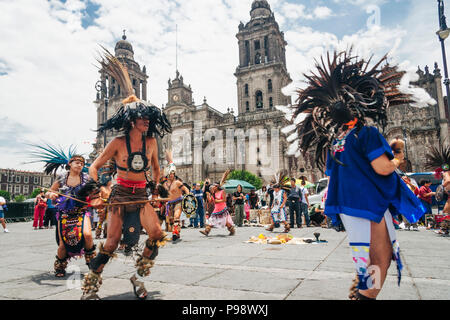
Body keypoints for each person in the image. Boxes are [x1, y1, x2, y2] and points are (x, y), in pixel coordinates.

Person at [283, 50, 427, 300]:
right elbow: (382, 168)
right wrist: (399, 153)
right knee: (382, 258)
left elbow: (333, 171)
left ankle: (361, 289)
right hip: (369, 203)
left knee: (370, 255)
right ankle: (364, 296)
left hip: (347, 205)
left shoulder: (336, 140)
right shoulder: (366, 133)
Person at [81, 48, 171, 300]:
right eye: (143, 118)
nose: (147, 122)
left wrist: (156, 186)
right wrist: (100, 187)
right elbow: (95, 166)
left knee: (156, 234)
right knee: (110, 244)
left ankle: (138, 278)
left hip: (141, 195)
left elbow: (155, 167)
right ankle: (90, 286)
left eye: (148, 119)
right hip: (120, 195)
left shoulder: (152, 141)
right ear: (132, 120)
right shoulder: (118, 143)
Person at [162, 151, 190, 241]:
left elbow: (185, 189)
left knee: (176, 217)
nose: (171, 175)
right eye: (170, 174)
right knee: (170, 220)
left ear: (174, 175)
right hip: (169, 204)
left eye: (172, 174)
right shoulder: (165, 184)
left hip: (178, 201)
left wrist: (188, 195)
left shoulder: (177, 182)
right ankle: (177, 232)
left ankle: (175, 233)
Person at [199, 170, 235, 236]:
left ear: (216, 187)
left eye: (213, 187)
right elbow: (211, 202)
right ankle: (206, 231)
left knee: (226, 223)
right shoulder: (213, 193)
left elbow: (224, 200)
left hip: (223, 209)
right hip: (216, 209)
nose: (212, 188)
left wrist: (216, 200)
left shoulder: (222, 192)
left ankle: (232, 230)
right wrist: (208, 196)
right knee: (211, 220)